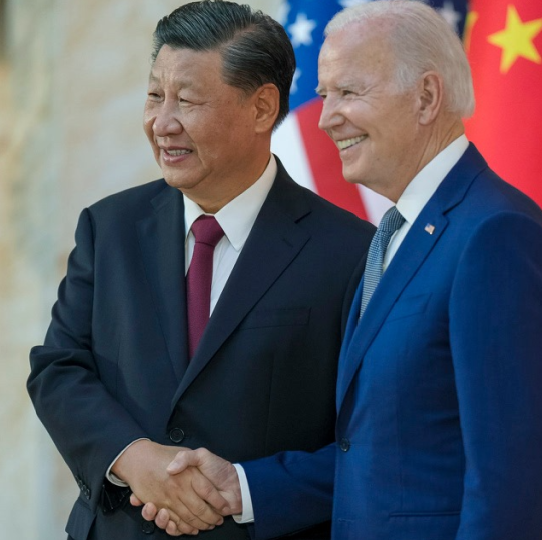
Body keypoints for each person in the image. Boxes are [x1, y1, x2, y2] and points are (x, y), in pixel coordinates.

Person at [143, 1, 542, 539]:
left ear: (426, 97)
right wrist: (243, 487)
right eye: (325, 95)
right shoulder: (395, 236)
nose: (325, 117)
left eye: (349, 93)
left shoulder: (494, 235)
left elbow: (512, 483)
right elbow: (380, 452)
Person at [26, 1, 374, 538]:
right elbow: (58, 369)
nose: (162, 123)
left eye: (186, 100)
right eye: (153, 95)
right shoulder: (109, 227)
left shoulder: (349, 253)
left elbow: (369, 444)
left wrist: (243, 489)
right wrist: (134, 460)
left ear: (262, 109)